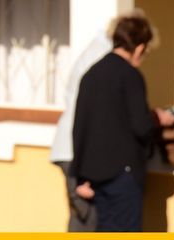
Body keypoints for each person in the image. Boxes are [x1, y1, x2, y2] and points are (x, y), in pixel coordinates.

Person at [73, 13, 174, 232]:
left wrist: (80, 176)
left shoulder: (92, 73)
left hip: (95, 173)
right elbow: (141, 126)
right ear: (139, 48)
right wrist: (158, 120)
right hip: (124, 174)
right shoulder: (130, 75)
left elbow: (80, 126)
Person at [53, 23, 117, 232]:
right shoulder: (103, 56)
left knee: (82, 216)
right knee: (88, 217)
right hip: (78, 149)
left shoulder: (95, 51)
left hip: (71, 147)